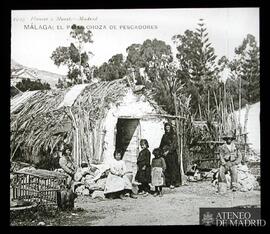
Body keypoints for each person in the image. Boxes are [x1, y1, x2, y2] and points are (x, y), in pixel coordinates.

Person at [159, 122, 180, 189]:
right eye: (166, 127)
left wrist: (168, 151)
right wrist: (160, 152)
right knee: (166, 168)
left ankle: (173, 183)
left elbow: (174, 145)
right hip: (165, 154)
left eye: (168, 127)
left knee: (173, 168)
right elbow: (161, 145)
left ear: (170, 128)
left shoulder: (174, 135)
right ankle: (168, 182)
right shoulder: (164, 136)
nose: (167, 128)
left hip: (172, 154)